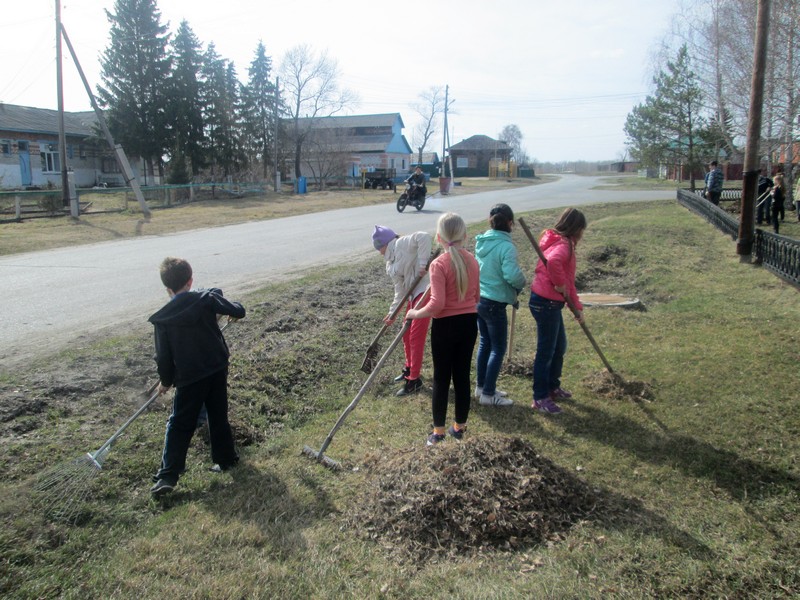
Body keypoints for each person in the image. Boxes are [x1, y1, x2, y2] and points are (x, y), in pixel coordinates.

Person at [149, 257, 245, 496]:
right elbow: (238, 310)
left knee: (180, 423)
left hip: (189, 377)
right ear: (190, 281)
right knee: (218, 415)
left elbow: (163, 357)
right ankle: (226, 459)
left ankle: (168, 476)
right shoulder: (206, 299)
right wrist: (231, 312)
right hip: (216, 368)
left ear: (167, 289)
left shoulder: (163, 319)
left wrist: (166, 381)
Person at [405, 212, 480, 445]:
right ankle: (459, 428)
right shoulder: (472, 260)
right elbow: (477, 296)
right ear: (464, 235)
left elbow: (437, 304)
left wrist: (415, 313)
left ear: (439, 237)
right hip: (469, 323)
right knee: (462, 375)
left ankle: (438, 433)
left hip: (445, 327)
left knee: (441, 378)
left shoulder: (438, 264)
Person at [528, 208, 587, 415]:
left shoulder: (560, 242)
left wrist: (576, 308)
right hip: (546, 303)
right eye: (582, 230)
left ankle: (552, 386)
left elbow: (569, 282)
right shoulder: (563, 245)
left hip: (548, 302)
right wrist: (559, 283)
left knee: (559, 346)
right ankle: (540, 397)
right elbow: (554, 263)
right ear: (577, 228)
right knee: (546, 351)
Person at [474, 203, 527, 407]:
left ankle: (481, 387)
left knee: (485, 343)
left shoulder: (482, 242)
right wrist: (522, 282)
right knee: (498, 348)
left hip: (480, 300)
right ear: (510, 223)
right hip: (495, 303)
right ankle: (488, 394)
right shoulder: (506, 246)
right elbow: (512, 275)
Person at [372, 225, 433, 396]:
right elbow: (399, 291)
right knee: (405, 334)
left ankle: (414, 381)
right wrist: (393, 313)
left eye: (379, 247)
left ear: (385, 243)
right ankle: (409, 368)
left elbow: (424, 236)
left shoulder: (401, 244)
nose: (379, 252)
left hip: (425, 289)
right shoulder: (390, 264)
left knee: (415, 336)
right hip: (413, 294)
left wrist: (423, 264)